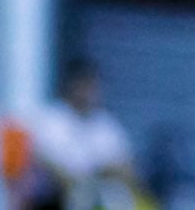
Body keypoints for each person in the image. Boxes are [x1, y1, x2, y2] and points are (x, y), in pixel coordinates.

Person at [28, 59, 137, 210]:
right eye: (83, 85)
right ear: (71, 85)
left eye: (92, 86)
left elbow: (126, 168)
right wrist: (77, 184)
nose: (88, 92)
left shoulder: (106, 125)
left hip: (98, 193)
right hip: (56, 197)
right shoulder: (52, 119)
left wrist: (104, 173)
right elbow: (43, 160)